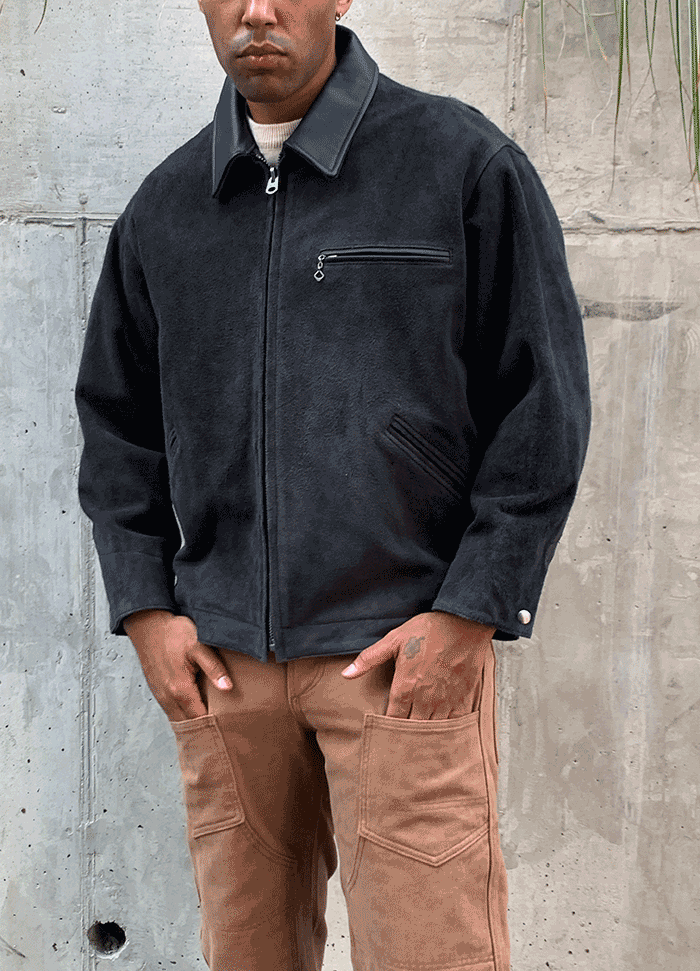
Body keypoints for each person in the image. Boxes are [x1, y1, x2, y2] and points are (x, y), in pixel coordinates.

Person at [74, 1, 591, 969]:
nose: (257, 11)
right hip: (227, 671)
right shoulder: (166, 209)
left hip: (399, 666)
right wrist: (145, 608)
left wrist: (472, 610)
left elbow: (543, 404)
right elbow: (117, 425)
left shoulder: (459, 165)